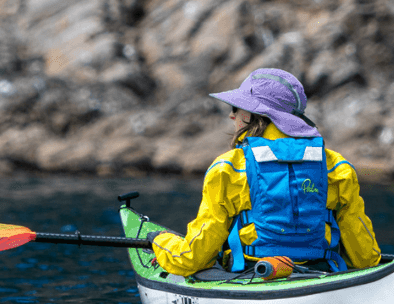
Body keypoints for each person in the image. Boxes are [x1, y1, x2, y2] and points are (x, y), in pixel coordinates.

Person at [151, 68, 380, 279]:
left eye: (236, 108)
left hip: (251, 276)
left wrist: (160, 241)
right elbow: (366, 258)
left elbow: (192, 258)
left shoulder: (228, 168)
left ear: (252, 115)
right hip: (321, 276)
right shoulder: (338, 167)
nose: (232, 116)